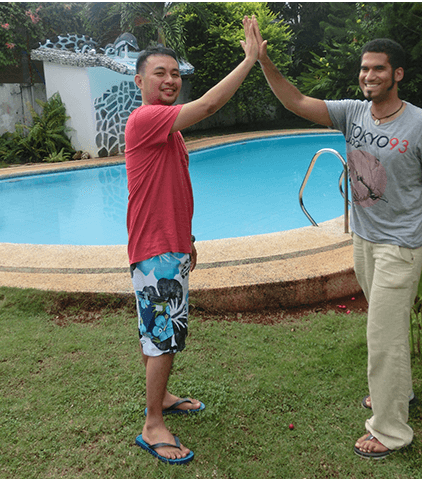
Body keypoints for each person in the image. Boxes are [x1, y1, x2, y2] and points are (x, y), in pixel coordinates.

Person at [251, 19, 422, 459]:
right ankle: (397, 395)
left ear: (397, 74)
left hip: (401, 244)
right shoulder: (352, 112)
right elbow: (295, 99)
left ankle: (390, 430)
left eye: (378, 69)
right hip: (364, 238)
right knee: (389, 329)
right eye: (365, 69)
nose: (369, 76)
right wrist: (263, 60)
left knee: (381, 335)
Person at [125, 16, 259, 464]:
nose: (169, 79)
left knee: (158, 331)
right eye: (159, 73)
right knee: (163, 335)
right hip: (155, 250)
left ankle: (161, 401)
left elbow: (172, 190)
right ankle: (152, 425)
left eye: (175, 73)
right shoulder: (146, 119)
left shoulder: (170, 132)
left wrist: (189, 239)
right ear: (140, 79)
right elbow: (206, 106)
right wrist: (249, 60)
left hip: (170, 245)